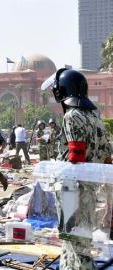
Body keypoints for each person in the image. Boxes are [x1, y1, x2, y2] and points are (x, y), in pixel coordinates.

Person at [46, 68, 112, 270]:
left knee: (75, 242)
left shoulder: (72, 116)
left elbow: (76, 156)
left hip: (70, 188)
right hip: (89, 188)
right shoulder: (96, 118)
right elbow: (107, 157)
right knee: (77, 239)